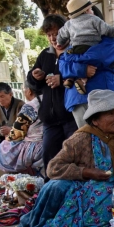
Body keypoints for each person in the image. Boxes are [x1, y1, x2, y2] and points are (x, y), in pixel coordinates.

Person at [13, 89, 114, 227]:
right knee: (57, 188)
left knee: (109, 203)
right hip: (87, 186)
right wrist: (85, 172)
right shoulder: (82, 138)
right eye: (110, 114)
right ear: (95, 120)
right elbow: (53, 168)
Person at [27, 14, 79, 174]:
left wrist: (61, 79)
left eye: (56, 33)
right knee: (50, 160)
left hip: (71, 117)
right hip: (50, 121)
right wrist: (35, 76)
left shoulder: (75, 52)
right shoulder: (45, 55)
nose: (52, 38)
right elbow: (33, 84)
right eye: (49, 35)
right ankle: (51, 191)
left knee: (75, 157)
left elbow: (84, 75)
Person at [57, 0, 114, 94]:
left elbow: (61, 35)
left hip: (75, 49)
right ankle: (82, 80)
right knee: (89, 64)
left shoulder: (69, 24)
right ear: (86, 11)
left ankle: (70, 79)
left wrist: (59, 42)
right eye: (91, 9)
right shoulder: (94, 19)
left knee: (73, 60)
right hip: (90, 46)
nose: (92, 12)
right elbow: (107, 30)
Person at [0, 79, 44, 175]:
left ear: (29, 91)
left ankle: (21, 180)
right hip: (55, 140)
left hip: (38, 145)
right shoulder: (53, 99)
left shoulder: (30, 106)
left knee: (4, 146)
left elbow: (16, 135)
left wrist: (8, 136)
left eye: (24, 89)